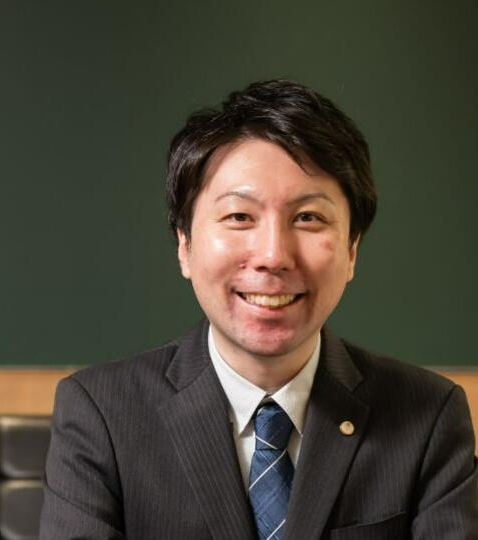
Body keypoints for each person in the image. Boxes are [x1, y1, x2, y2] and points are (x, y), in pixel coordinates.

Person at [39, 80, 477, 539]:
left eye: (308, 218)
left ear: (352, 250)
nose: (273, 254)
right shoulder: (101, 414)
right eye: (239, 217)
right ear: (184, 245)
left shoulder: (427, 415)